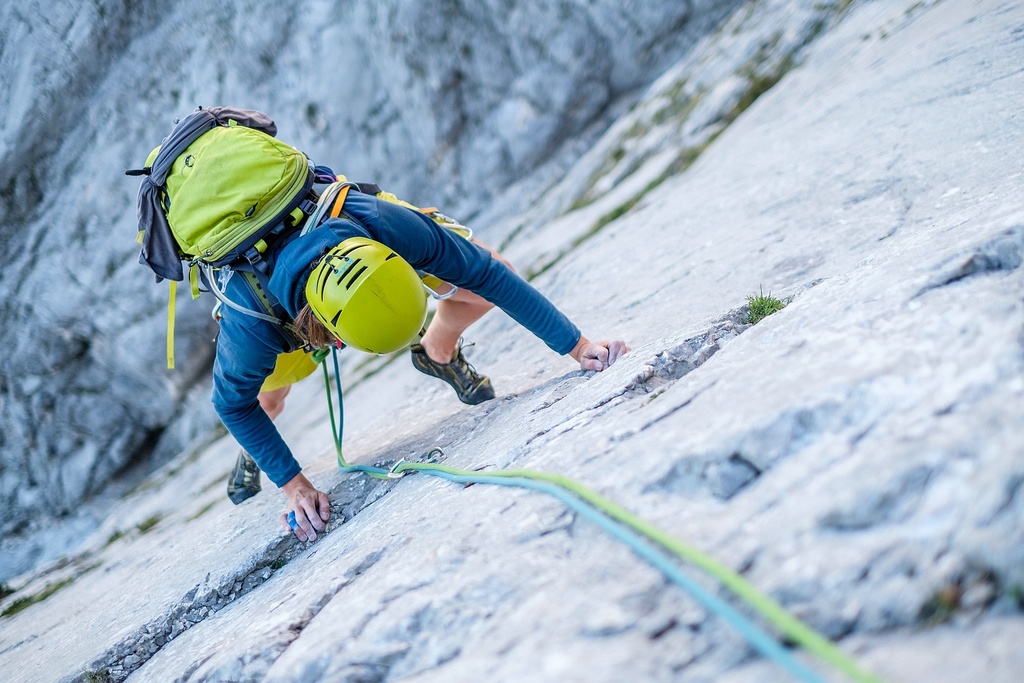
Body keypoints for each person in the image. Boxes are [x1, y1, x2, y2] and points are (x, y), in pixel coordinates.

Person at [214, 188, 629, 542]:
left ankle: (436, 350)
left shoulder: (382, 222)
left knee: (493, 274)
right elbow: (232, 404)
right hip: (271, 294)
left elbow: (487, 275)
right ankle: (255, 452)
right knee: (265, 403)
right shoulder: (252, 322)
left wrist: (578, 346)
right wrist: (294, 485)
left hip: (353, 232)